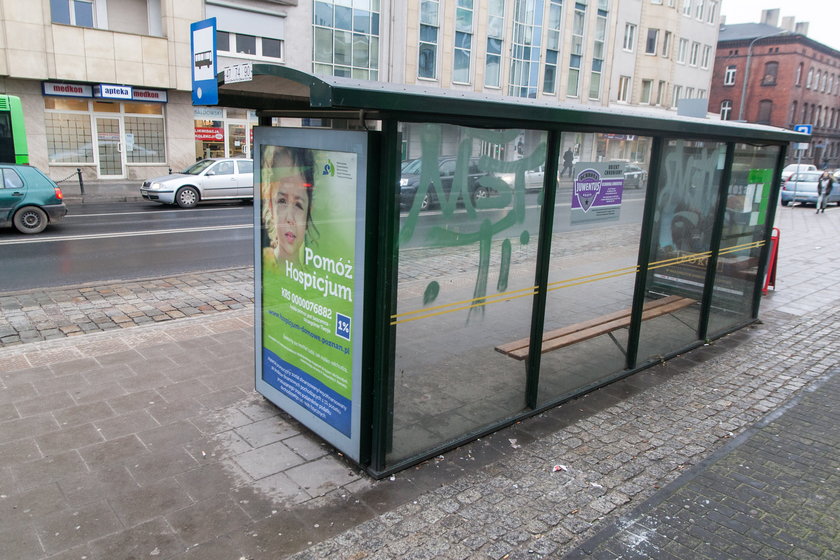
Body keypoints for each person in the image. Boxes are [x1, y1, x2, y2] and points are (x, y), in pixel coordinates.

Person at [261, 145, 317, 265]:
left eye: (298, 205)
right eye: (282, 201)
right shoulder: (264, 263)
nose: (290, 218)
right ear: (270, 206)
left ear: (308, 212)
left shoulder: (315, 277)